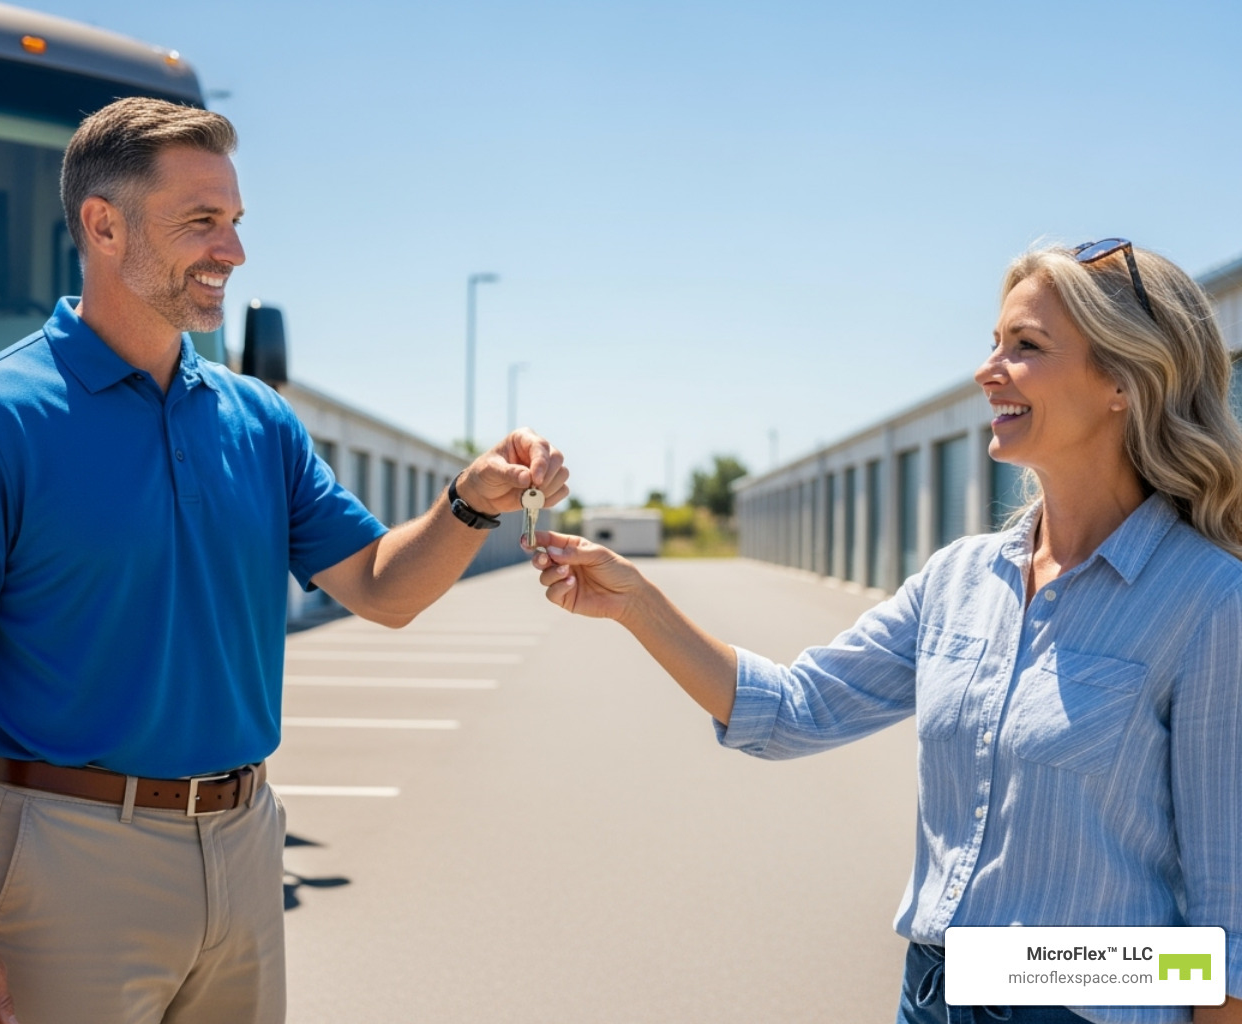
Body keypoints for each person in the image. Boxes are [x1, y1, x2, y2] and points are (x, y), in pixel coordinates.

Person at [0, 96, 567, 1024]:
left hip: (244, 850)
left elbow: (381, 589)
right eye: (201, 221)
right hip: (67, 858)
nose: (232, 251)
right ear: (103, 224)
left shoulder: (260, 421)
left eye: (235, 222)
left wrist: (469, 503)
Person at [526, 240, 1242, 1024]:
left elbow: (1229, 922)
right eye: (994, 342)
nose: (987, 369)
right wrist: (637, 605)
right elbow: (793, 711)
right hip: (931, 996)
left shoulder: (1210, 601)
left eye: (1026, 347)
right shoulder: (959, 580)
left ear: (1124, 382)